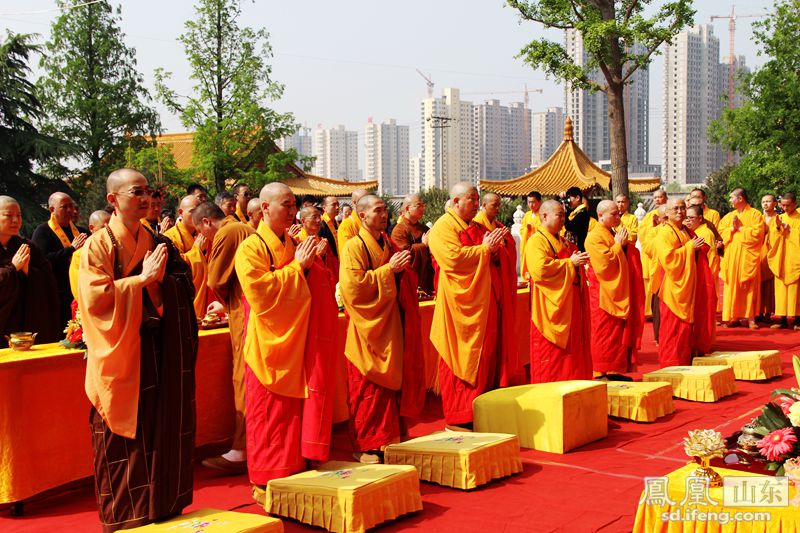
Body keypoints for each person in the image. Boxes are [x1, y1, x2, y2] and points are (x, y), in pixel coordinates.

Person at [79, 168, 197, 532]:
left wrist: (164, 282)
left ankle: (161, 507)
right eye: (137, 192)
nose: (146, 198)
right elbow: (94, 300)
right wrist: (141, 281)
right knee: (123, 439)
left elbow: (181, 282)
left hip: (156, 349)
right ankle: (125, 517)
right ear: (113, 199)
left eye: (149, 191)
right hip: (120, 352)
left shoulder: (156, 240)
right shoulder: (98, 245)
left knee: (159, 428)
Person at [234, 182, 337, 502]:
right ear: (264, 208)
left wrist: (316, 264)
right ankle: (266, 480)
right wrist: (299, 267)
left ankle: (292, 472)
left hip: (296, 341)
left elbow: (319, 281)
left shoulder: (294, 242)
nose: (293, 211)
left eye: (294, 205)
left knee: (292, 415)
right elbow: (261, 294)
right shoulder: (251, 248)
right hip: (269, 344)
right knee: (269, 416)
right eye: (286, 205)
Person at [339, 194, 424, 462]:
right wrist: (388, 271)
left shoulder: (386, 242)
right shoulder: (354, 246)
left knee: (390, 389)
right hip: (368, 330)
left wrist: (402, 267)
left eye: (385, 210)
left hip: (389, 325)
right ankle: (365, 445)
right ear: (362, 216)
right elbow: (353, 289)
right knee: (367, 389)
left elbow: (404, 272)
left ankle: (390, 438)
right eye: (378, 211)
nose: (384, 215)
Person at [428, 182, 507, 430]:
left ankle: (481, 409)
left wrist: (495, 251)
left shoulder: (476, 227)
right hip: (458, 305)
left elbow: (490, 253)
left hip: (483, 301)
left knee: (485, 357)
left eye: (476, 199)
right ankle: (460, 416)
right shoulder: (443, 227)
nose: (475, 204)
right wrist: (485, 249)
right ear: (455, 202)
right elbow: (452, 260)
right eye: (471, 199)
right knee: (460, 359)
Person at [192, 201, 255, 474]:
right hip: (252, 306)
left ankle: (241, 449)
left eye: (202, 232)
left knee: (242, 378)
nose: (205, 238)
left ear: (207, 222)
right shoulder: (248, 229)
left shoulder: (227, 233)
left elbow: (215, 279)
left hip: (243, 312)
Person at [459, 193, 523, 386]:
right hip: (485, 287)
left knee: (500, 334)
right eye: (493, 205)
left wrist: (501, 248)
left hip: (500, 283)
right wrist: (494, 249)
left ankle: (500, 376)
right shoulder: (476, 227)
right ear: (484, 206)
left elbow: (507, 250)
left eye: (499, 205)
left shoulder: (499, 227)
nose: (497, 209)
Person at [526, 200, 592, 382]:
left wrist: (576, 260)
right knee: (552, 356)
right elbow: (540, 270)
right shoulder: (536, 241)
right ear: (544, 216)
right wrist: (570, 263)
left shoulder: (562, 241)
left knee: (571, 354)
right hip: (551, 308)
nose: (563, 219)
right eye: (559, 215)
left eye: (564, 215)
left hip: (569, 303)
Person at [585, 200, 643, 380]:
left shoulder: (611, 233)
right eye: (614, 214)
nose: (618, 217)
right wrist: (618, 245)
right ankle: (601, 371)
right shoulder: (594, 237)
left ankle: (614, 370)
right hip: (602, 293)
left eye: (618, 213)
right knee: (604, 333)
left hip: (616, 291)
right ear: (600, 215)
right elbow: (604, 265)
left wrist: (625, 246)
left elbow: (618, 254)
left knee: (617, 332)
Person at [0, 196, 60, 347]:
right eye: (8, 215)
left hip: (26, 321)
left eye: (18, 215)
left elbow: (48, 280)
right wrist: (13, 268)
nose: (15, 220)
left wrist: (28, 273)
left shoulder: (27, 246)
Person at [654, 199, 702, 367]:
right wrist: (689, 248)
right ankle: (670, 364)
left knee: (685, 330)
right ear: (666, 212)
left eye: (683, 208)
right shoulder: (664, 233)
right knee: (672, 329)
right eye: (676, 208)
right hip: (673, 289)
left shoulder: (685, 230)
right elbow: (668, 259)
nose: (680, 211)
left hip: (686, 286)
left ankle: (684, 361)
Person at [31, 192, 88, 327]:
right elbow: (42, 260)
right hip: (57, 292)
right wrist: (71, 249)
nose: (70, 210)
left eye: (71, 206)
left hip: (81, 288)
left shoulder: (81, 231)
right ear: (52, 209)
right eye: (64, 207)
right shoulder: (43, 231)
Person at [719, 188, 765, 329]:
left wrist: (740, 229)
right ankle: (733, 316)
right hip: (732, 257)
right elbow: (721, 232)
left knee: (748, 286)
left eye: (732, 197)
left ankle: (751, 318)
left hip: (747, 257)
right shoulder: (729, 216)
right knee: (732, 286)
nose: (730, 200)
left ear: (740, 199)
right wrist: (732, 230)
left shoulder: (755, 214)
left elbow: (758, 233)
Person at [163, 195, 211, 318]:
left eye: (199, 211)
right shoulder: (170, 237)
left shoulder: (204, 234)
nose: (197, 215)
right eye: (192, 211)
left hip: (206, 295)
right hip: (185, 297)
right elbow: (175, 268)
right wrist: (197, 250)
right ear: (180, 212)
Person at [684, 205, 718, 354]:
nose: (688, 221)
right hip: (694, 277)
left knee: (703, 313)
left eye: (691, 218)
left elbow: (706, 258)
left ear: (700, 218)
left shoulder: (704, 233)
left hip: (703, 278)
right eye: (687, 217)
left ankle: (704, 343)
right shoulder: (691, 232)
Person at [767, 192, 800, 330]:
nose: (785, 208)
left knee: (796, 289)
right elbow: (772, 238)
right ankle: (782, 318)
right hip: (781, 258)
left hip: (795, 257)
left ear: (795, 204)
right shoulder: (779, 218)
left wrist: (789, 230)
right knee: (780, 288)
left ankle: (798, 318)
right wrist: (779, 228)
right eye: (783, 205)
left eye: (788, 205)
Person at [391, 194, 434, 294]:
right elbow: (403, 256)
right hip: (407, 280)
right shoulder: (399, 230)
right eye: (419, 205)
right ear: (407, 208)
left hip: (426, 278)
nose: (423, 208)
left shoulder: (424, 228)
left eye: (423, 205)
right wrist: (423, 245)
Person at [69, 210, 112, 304]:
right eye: (103, 227)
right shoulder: (80, 255)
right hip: (92, 305)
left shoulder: (116, 249)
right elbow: (78, 289)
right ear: (91, 228)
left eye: (110, 227)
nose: (108, 231)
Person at [639, 189, 668, 317]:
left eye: (660, 197)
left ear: (665, 198)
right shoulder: (649, 216)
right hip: (651, 254)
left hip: (665, 256)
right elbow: (643, 234)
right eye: (655, 197)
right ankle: (650, 311)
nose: (657, 199)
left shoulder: (670, 211)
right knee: (650, 283)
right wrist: (654, 225)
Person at [759, 194, 779, 323]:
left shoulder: (778, 218)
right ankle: (758, 311)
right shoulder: (758, 218)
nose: (765, 204)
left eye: (768, 201)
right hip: (759, 254)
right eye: (763, 202)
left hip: (772, 252)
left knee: (770, 285)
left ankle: (768, 311)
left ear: (775, 204)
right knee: (759, 284)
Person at [519, 191, 542, 279]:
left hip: (536, 247)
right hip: (526, 246)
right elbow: (522, 230)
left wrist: (532, 229)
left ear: (539, 202)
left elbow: (543, 231)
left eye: (533, 202)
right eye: (529, 202)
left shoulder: (542, 215)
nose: (531, 205)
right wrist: (526, 230)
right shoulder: (527, 215)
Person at [563, 186, 591, 251]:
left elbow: (569, 226)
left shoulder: (583, 213)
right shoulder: (575, 212)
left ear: (577, 198)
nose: (568, 201)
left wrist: (565, 213)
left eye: (569, 198)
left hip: (580, 248)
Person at [318, 196, 340, 272]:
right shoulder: (320, 224)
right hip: (329, 265)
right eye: (333, 205)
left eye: (338, 204)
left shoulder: (337, 223)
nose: (337, 207)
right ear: (324, 208)